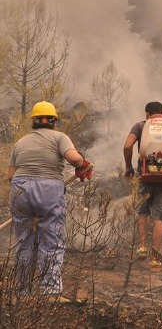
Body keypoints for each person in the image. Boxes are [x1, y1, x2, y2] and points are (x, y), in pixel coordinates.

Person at [7, 101, 93, 303]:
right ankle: (50, 293)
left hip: (19, 189)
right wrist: (82, 163)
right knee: (52, 241)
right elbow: (73, 159)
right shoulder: (60, 137)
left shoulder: (21, 142)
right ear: (54, 121)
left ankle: (22, 292)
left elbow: (11, 175)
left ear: (33, 121)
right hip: (48, 189)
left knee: (24, 242)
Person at [123, 101, 162, 268]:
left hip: (144, 176)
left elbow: (128, 146)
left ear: (147, 114)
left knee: (143, 212)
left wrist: (128, 166)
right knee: (160, 217)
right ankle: (154, 258)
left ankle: (142, 248)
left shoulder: (140, 126)